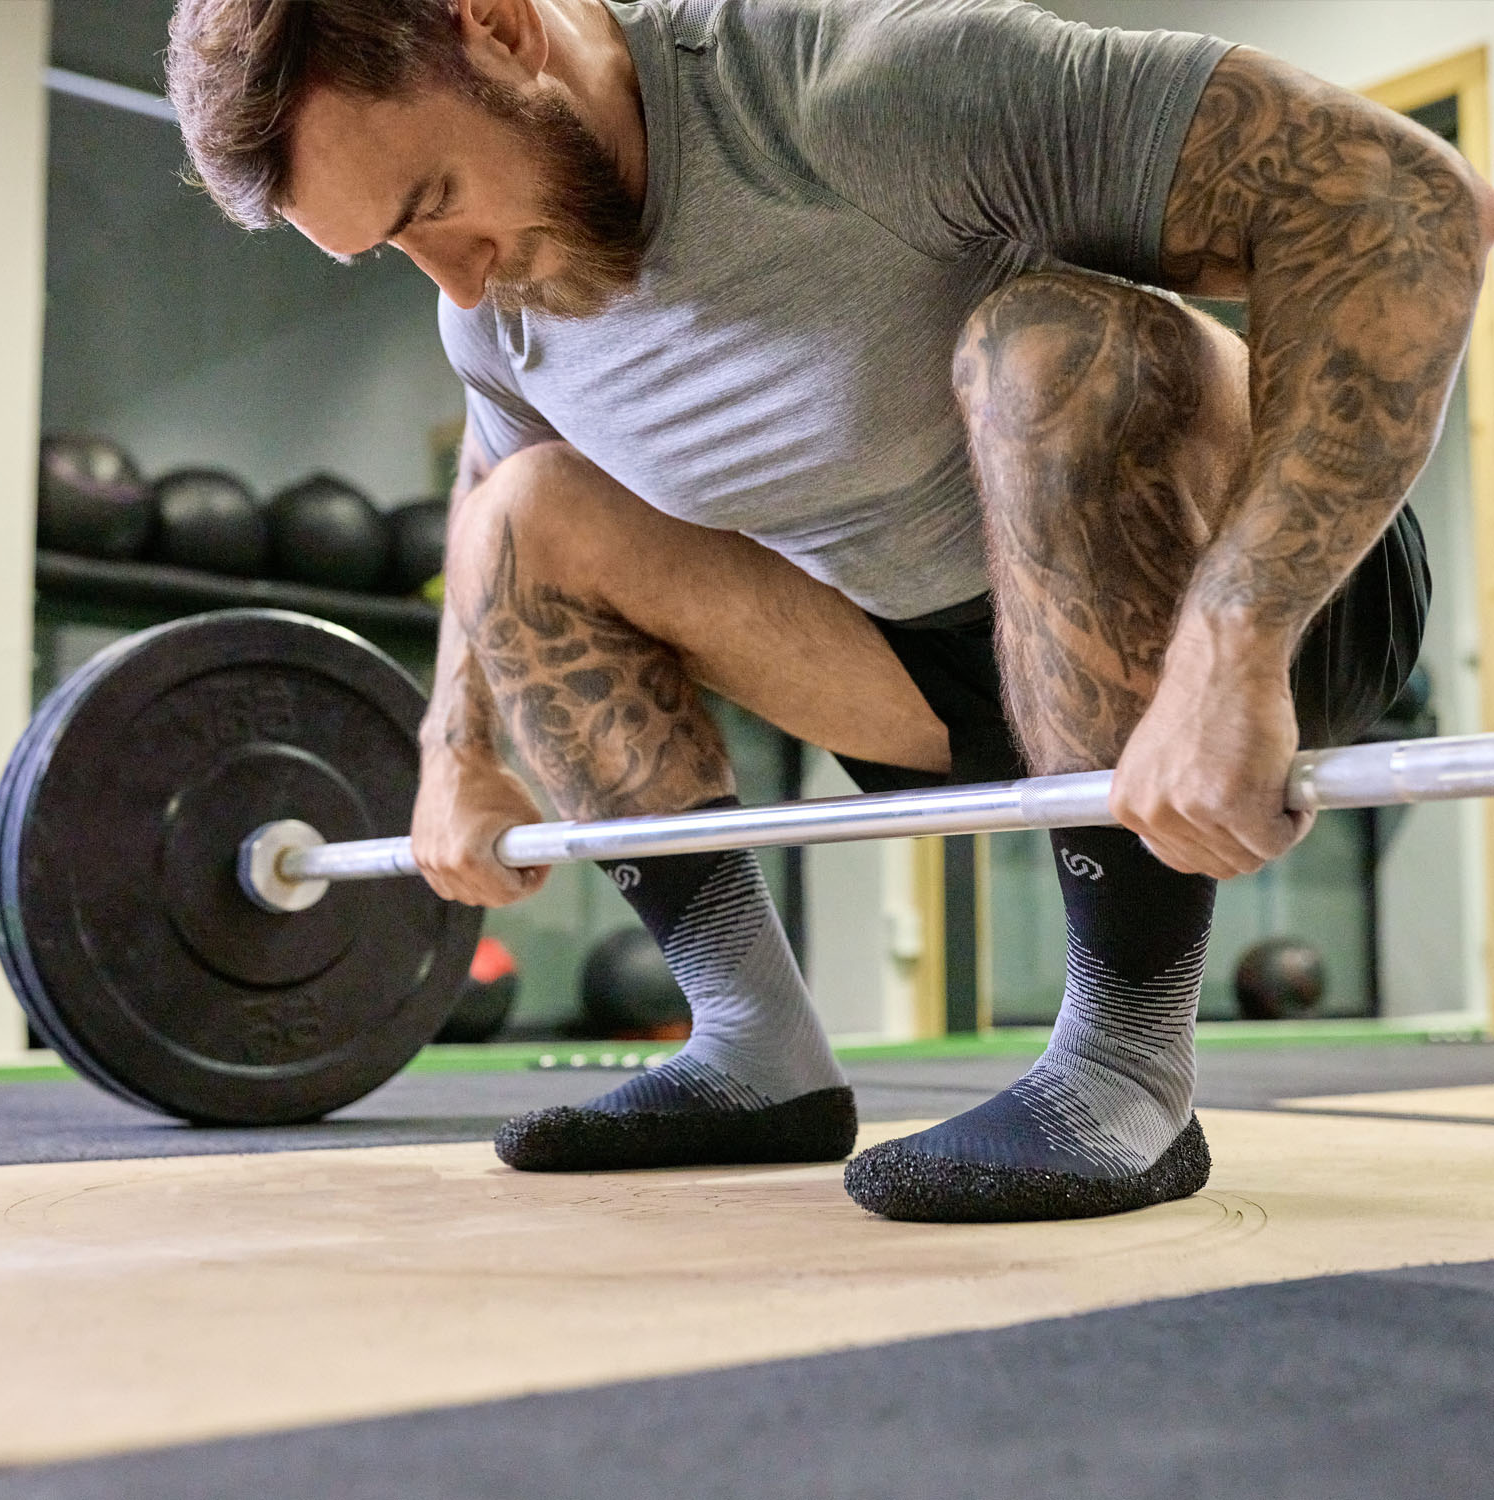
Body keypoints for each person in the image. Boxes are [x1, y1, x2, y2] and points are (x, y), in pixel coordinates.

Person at [167, 0, 1491, 1222]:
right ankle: (755, 1052)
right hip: (945, 669)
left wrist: (1235, 638)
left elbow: (1401, 199)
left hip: (1277, 609)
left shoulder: (861, 90)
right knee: (524, 511)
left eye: (436, 202)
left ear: (501, 28)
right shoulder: (495, 307)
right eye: (394, 248)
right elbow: (483, 494)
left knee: (1045, 347)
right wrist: (453, 751)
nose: (455, 282)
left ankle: (1128, 1060)